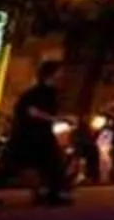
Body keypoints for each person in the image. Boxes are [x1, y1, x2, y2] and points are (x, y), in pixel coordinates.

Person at [4, 59, 73, 204]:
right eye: (59, 73)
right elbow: (32, 112)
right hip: (31, 134)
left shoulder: (51, 93)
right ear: (50, 74)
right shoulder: (37, 93)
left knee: (47, 163)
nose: (63, 76)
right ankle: (45, 192)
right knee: (37, 163)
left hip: (40, 132)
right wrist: (56, 119)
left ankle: (47, 192)